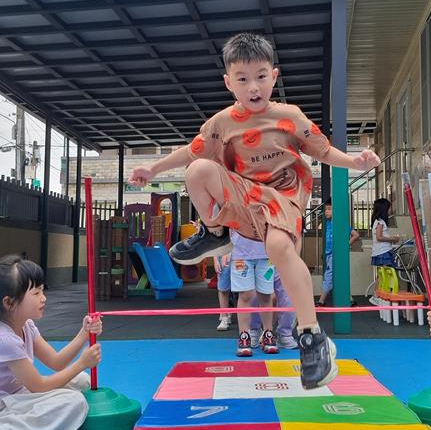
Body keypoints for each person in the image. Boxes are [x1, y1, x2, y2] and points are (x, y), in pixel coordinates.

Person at [129, 32, 380, 389]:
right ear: (229, 82)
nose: (253, 87)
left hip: (284, 194)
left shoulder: (289, 116)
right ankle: (214, 232)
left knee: (278, 247)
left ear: (273, 76)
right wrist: (153, 169)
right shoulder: (224, 121)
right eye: (243, 79)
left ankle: (312, 336)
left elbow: (323, 151)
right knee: (197, 170)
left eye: (261, 76)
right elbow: (192, 149)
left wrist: (355, 162)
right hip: (246, 196)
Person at [0, 255, 102, 430]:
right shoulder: (5, 339)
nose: (43, 298)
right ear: (9, 303)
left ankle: (24, 420)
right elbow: (39, 386)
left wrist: (84, 333)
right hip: (5, 403)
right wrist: (82, 363)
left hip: (18, 394)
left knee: (82, 381)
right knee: (73, 401)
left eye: (42, 290)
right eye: (36, 293)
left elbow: (56, 362)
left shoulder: (26, 326)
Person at [229, 230, 278, 357]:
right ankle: (244, 336)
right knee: (245, 294)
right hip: (241, 253)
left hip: (266, 253)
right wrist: (225, 250)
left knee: (266, 295)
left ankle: (268, 333)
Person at [318, 198, 360, 307]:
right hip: (329, 255)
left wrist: (344, 246)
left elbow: (356, 235)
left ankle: (321, 301)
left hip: (335, 255)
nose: (326, 211)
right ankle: (350, 300)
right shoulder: (328, 223)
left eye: (329, 209)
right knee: (339, 278)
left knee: (328, 277)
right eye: (325, 209)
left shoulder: (340, 223)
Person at [371, 198, 400, 269]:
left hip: (380, 251)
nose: (390, 210)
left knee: (383, 274)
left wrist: (391, 239)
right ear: (384, 209)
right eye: (389, 208)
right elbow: (379, 237)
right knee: (388, 273)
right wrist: (392, 239)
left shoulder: (378, 221)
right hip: (383, 251)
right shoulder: (380, 222)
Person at [213, 253, 233, 331]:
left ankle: (248, 320)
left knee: (244, 291)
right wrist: (215, 260)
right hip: (222, 255)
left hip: (241, 255)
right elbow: (214, 245)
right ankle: (224, 317)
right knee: (223, 289)